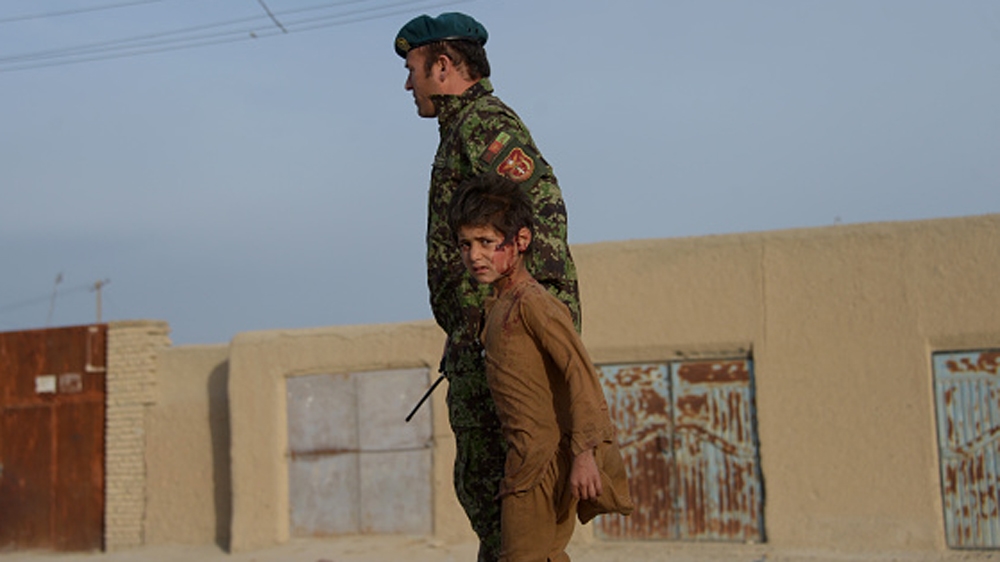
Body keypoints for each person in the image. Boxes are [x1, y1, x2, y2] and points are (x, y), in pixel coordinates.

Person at [394, 12, 581, 561]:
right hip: (481, 342)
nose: (408, 84)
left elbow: (543, 213)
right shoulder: (459, 131)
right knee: (493, 503)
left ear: (443, 66)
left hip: (504, 344)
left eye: (413, 70)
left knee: (512, 504)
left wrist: (518, 316)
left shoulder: (482, 125)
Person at [447, 173, 633, 562]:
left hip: (540, 465)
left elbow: (581, 375)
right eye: (465, 244)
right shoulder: (499, 306)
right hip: (530, 459)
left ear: (522, 241)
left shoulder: (534, 304)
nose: (474, 255)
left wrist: (585, 455)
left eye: (486, 242)